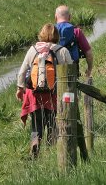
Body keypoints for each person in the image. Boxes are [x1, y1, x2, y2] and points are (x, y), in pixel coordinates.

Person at [16, 23, 73, 158]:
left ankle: (35, 146)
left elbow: (22, 72)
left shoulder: (33, 50)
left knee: (36, 125)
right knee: (53, 124)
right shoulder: (63, 51)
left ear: (41, 34)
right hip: (55, 94)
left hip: (35, 95)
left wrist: (20, 88)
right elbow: (71, 74)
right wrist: (70, 94)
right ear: (56, 36)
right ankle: (51, 151)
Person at [54, 5, 93, 79]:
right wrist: (89, 69)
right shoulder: (76, 31)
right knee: (72, 89)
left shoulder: (50, 31)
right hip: (72, 68)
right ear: (69, 17)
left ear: (55, 17)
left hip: (54, 68)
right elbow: (89, 53)